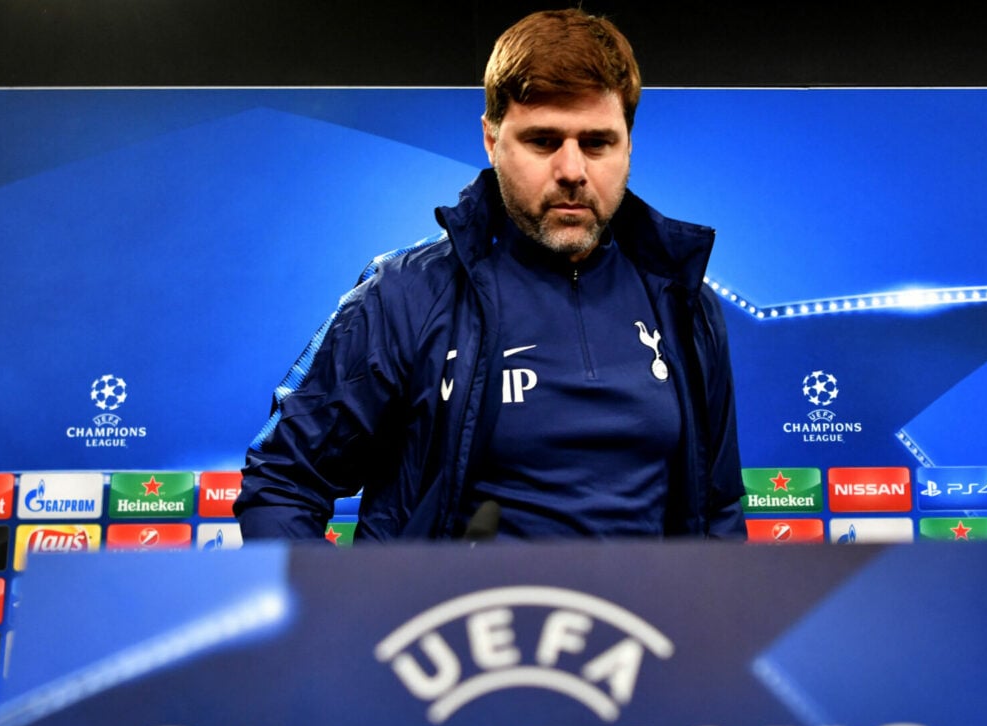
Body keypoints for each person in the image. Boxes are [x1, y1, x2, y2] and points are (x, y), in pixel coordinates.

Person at [234, 8, 746, 542]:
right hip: (457, 627)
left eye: (597, 143)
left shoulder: (684, 303)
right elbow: (282, 481)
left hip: (633, 628)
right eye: (543, 141)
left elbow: (718, 512)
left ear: (628, 145)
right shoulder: (403, 296)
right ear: (491, 139)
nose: (572, 170)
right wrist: (347, 620)